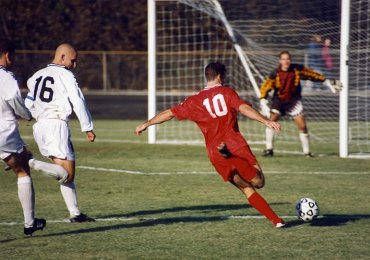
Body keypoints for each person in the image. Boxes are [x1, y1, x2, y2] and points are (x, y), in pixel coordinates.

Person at [135, 62, 285, 228]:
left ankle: (277, 221)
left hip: (215, 153)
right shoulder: (227, 92)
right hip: (234, 145)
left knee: (246, 188)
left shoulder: (194, 100)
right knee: (259, 181)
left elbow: (169, 113)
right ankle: (234, 158)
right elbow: (243, 108)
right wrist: (265, 120)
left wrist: (146, 124)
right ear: (220, 76)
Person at [0, 39, 69, 236]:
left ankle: (30, 160)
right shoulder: (6, 78)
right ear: (8, 56)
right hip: (4, 133)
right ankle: (30, 223)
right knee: (22, 171)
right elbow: (14, 100)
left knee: (18, 162)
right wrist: (28, 115)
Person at [25, 43, 96, 223]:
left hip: (39, 127)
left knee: (64, 174)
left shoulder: (36, 76)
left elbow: (28, 103)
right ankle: (30, 162)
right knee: (67, 175)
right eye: (73, 60)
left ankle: (75, 214)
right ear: (62, 57)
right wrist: (87, 126)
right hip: (56, 125)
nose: (74, 65)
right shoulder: (65, 75)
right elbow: (78, 101)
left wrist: (30, 117)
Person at [259, 51, 342, 157]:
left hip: (294, 101)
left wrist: (326, 81)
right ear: (280, 61)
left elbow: (311, 74)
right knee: (271, 122)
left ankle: (307, 152)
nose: (286, 61)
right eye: (283, 59)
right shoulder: (274, 73)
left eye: (288, 59)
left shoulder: (297, 69)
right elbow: (266, 86)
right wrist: (263, 99)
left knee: (302, 126)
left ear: (291, 59)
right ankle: (269, 149)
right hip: (279, 101)